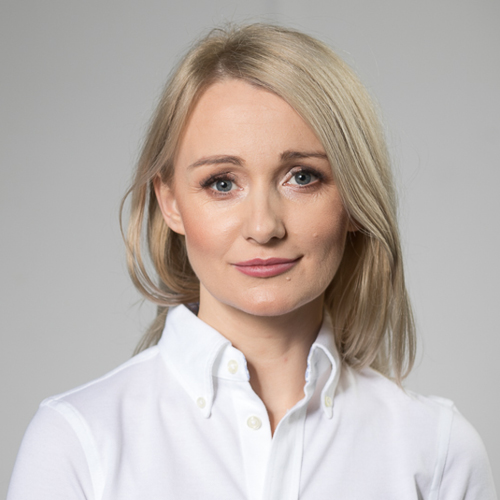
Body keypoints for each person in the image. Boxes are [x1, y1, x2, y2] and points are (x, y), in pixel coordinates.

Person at [7, 23, 497, 499]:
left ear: (353, 198)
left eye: (302, 177)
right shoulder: (77, 442)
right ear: (170, 202)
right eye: (222, 183)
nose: (263, 227)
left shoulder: (437, 451)